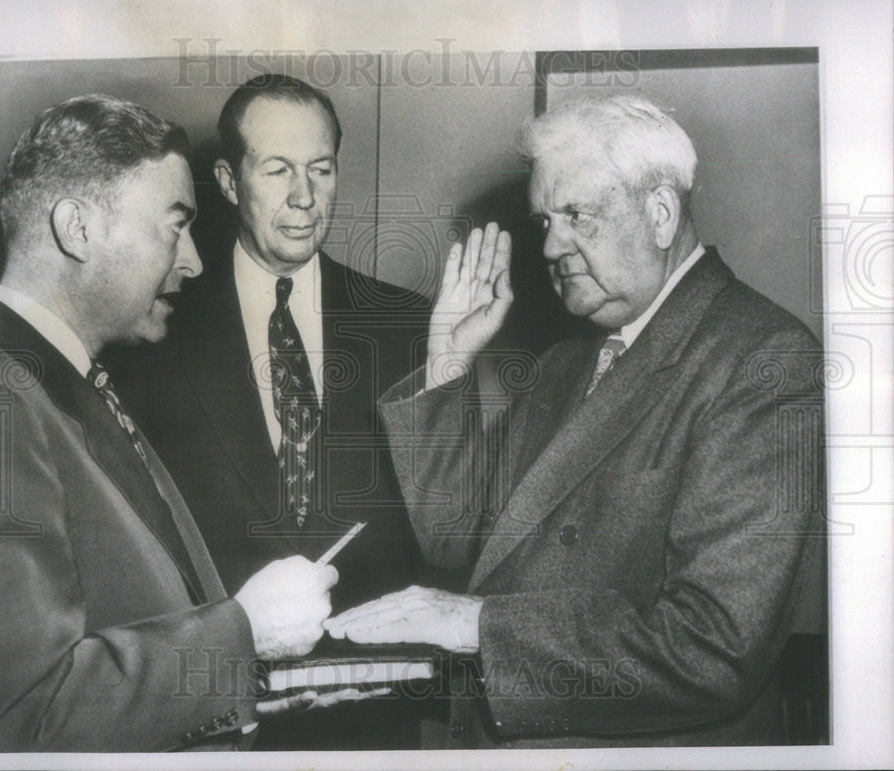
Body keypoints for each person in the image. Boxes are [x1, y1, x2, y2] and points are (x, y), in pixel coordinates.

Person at [326, 94, 826, 747]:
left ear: (661, 213)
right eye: (544, 221)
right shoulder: (567, 363)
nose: (553, 243)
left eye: (576, 215)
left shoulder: (762, 356)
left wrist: (480, 626)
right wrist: (448, 357)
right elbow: (457, 539)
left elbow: (715, 645)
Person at [0, 94, 340, 753]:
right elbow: (20, 723)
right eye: (175, 225)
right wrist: (243, 633)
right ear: (77, 229)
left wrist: (245, 665)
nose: (194, 260)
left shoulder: (53, 381)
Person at [112, 74, 432, 750]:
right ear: (229, 182)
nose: (304, 196)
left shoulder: (409, 326)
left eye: (320, 168)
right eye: (278, 169)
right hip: (215, 720)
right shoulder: (151, 333)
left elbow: (448, 530)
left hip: (373, 720)